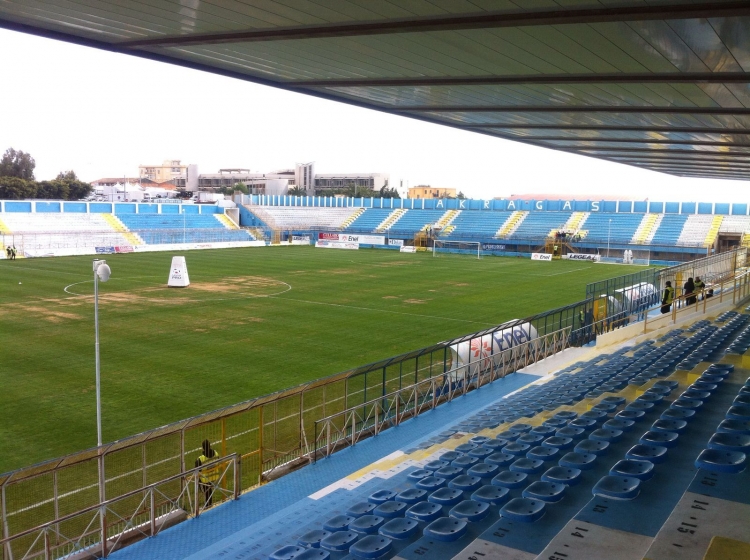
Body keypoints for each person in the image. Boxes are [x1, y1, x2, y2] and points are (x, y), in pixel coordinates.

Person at [195, 439, 220, 507]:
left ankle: (207, 506)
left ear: (203, 448)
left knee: (206, 492)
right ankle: (209, 504)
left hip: (205, 480)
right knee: (209, 492)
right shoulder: (216, 453)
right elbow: (218, 463)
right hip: (215, 477)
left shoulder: (200, 459)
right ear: (210, 446)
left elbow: (197, 472)